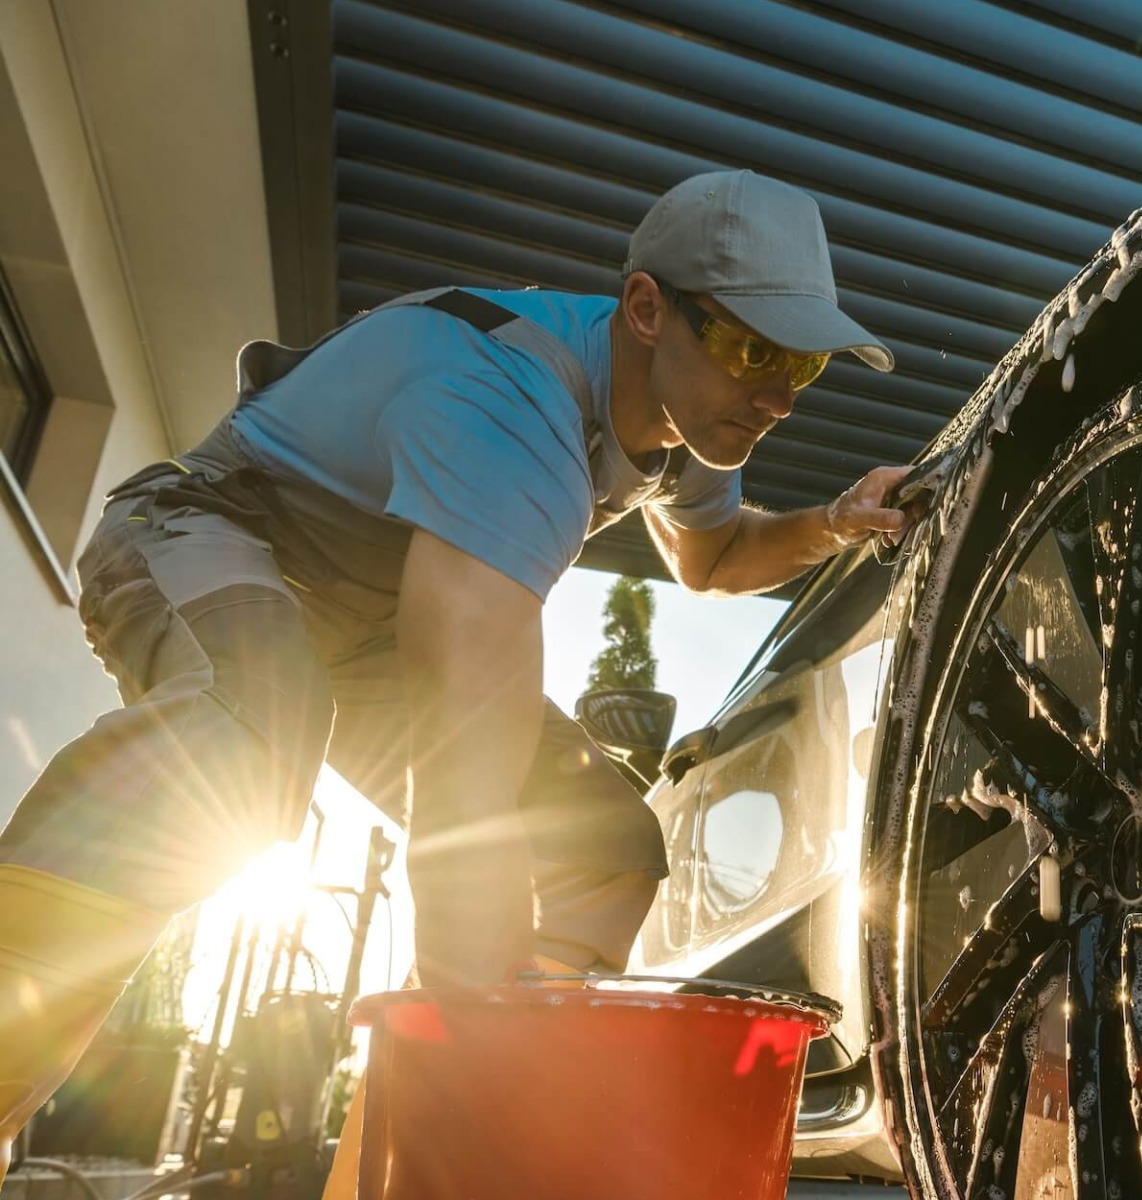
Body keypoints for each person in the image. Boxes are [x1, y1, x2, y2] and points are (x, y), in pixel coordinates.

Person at [0, 169, 911, 1174]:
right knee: (253, 737)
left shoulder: (689, 423)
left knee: (606, 847)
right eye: (752, 353)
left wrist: (834, 524)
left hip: (366, 628)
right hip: (206, 529)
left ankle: (416, 1169)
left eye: (803, 365)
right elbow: (463, 770)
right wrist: (481, 1022)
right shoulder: (510, 405)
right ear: (648, 309)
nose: (778, 399)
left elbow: (714, 556)